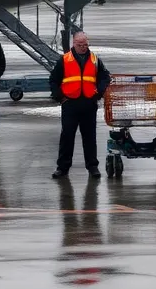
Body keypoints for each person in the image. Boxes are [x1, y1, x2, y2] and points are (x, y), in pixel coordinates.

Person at [48, 31, 112, 179]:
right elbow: (53, 80)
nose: (83, 47)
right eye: (80, 45)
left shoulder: (95, 60)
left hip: (89, 103)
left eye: (85, 45)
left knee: (89, 137)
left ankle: (92, 167)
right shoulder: (64, 60)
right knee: (67, 136)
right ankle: (62, 168)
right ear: (74, 44)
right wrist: (60, 97)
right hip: (70, 104)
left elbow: (105, 77)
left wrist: (99, 93)